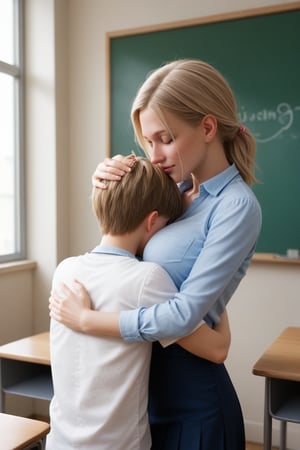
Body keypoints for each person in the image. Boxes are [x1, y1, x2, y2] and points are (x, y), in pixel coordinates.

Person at [50, 59, 262, 449]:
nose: (155, 153)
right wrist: (105, 182)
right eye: (148, 142)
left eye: (165, 138)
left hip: (192, 402)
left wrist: (88, 319)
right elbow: (121, 246)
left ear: (208, 127)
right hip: (141, 394)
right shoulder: (176, 191)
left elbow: (183, 313)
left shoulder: (236, 206)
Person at [47, 155, 231, 450]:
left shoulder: (65, 270)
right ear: (151, 221)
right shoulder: (147, 278)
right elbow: (217, 348)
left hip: (61, 441)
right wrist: (209, 289)